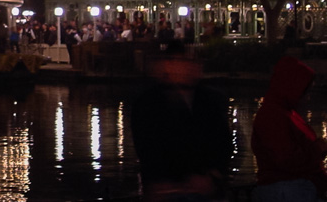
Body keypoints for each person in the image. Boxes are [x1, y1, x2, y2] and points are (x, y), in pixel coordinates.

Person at [131, 41, 231, 201]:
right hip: (167, 188)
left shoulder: (208, 100)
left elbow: (222, 140)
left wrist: (213, 174)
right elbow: (147, 145)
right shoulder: (148, 102)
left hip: (202, 186)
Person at [251, 56, 327, 201]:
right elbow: (287, 159)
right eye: (304, 91)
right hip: (289, 190)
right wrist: (317, 149)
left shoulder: (286, 114)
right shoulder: (272, 116)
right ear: (292, 87)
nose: (307, 97)